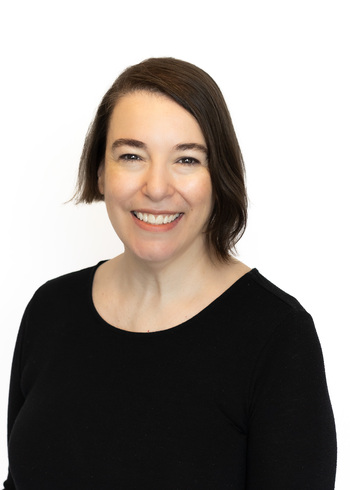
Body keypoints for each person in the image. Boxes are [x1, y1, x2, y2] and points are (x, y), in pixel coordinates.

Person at [3, 58, 336, 489]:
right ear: (101, 171)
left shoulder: (277, 336)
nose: (157, 187)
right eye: (131, 155)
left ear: (218, 177)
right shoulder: (51, 310)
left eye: (187, 160)